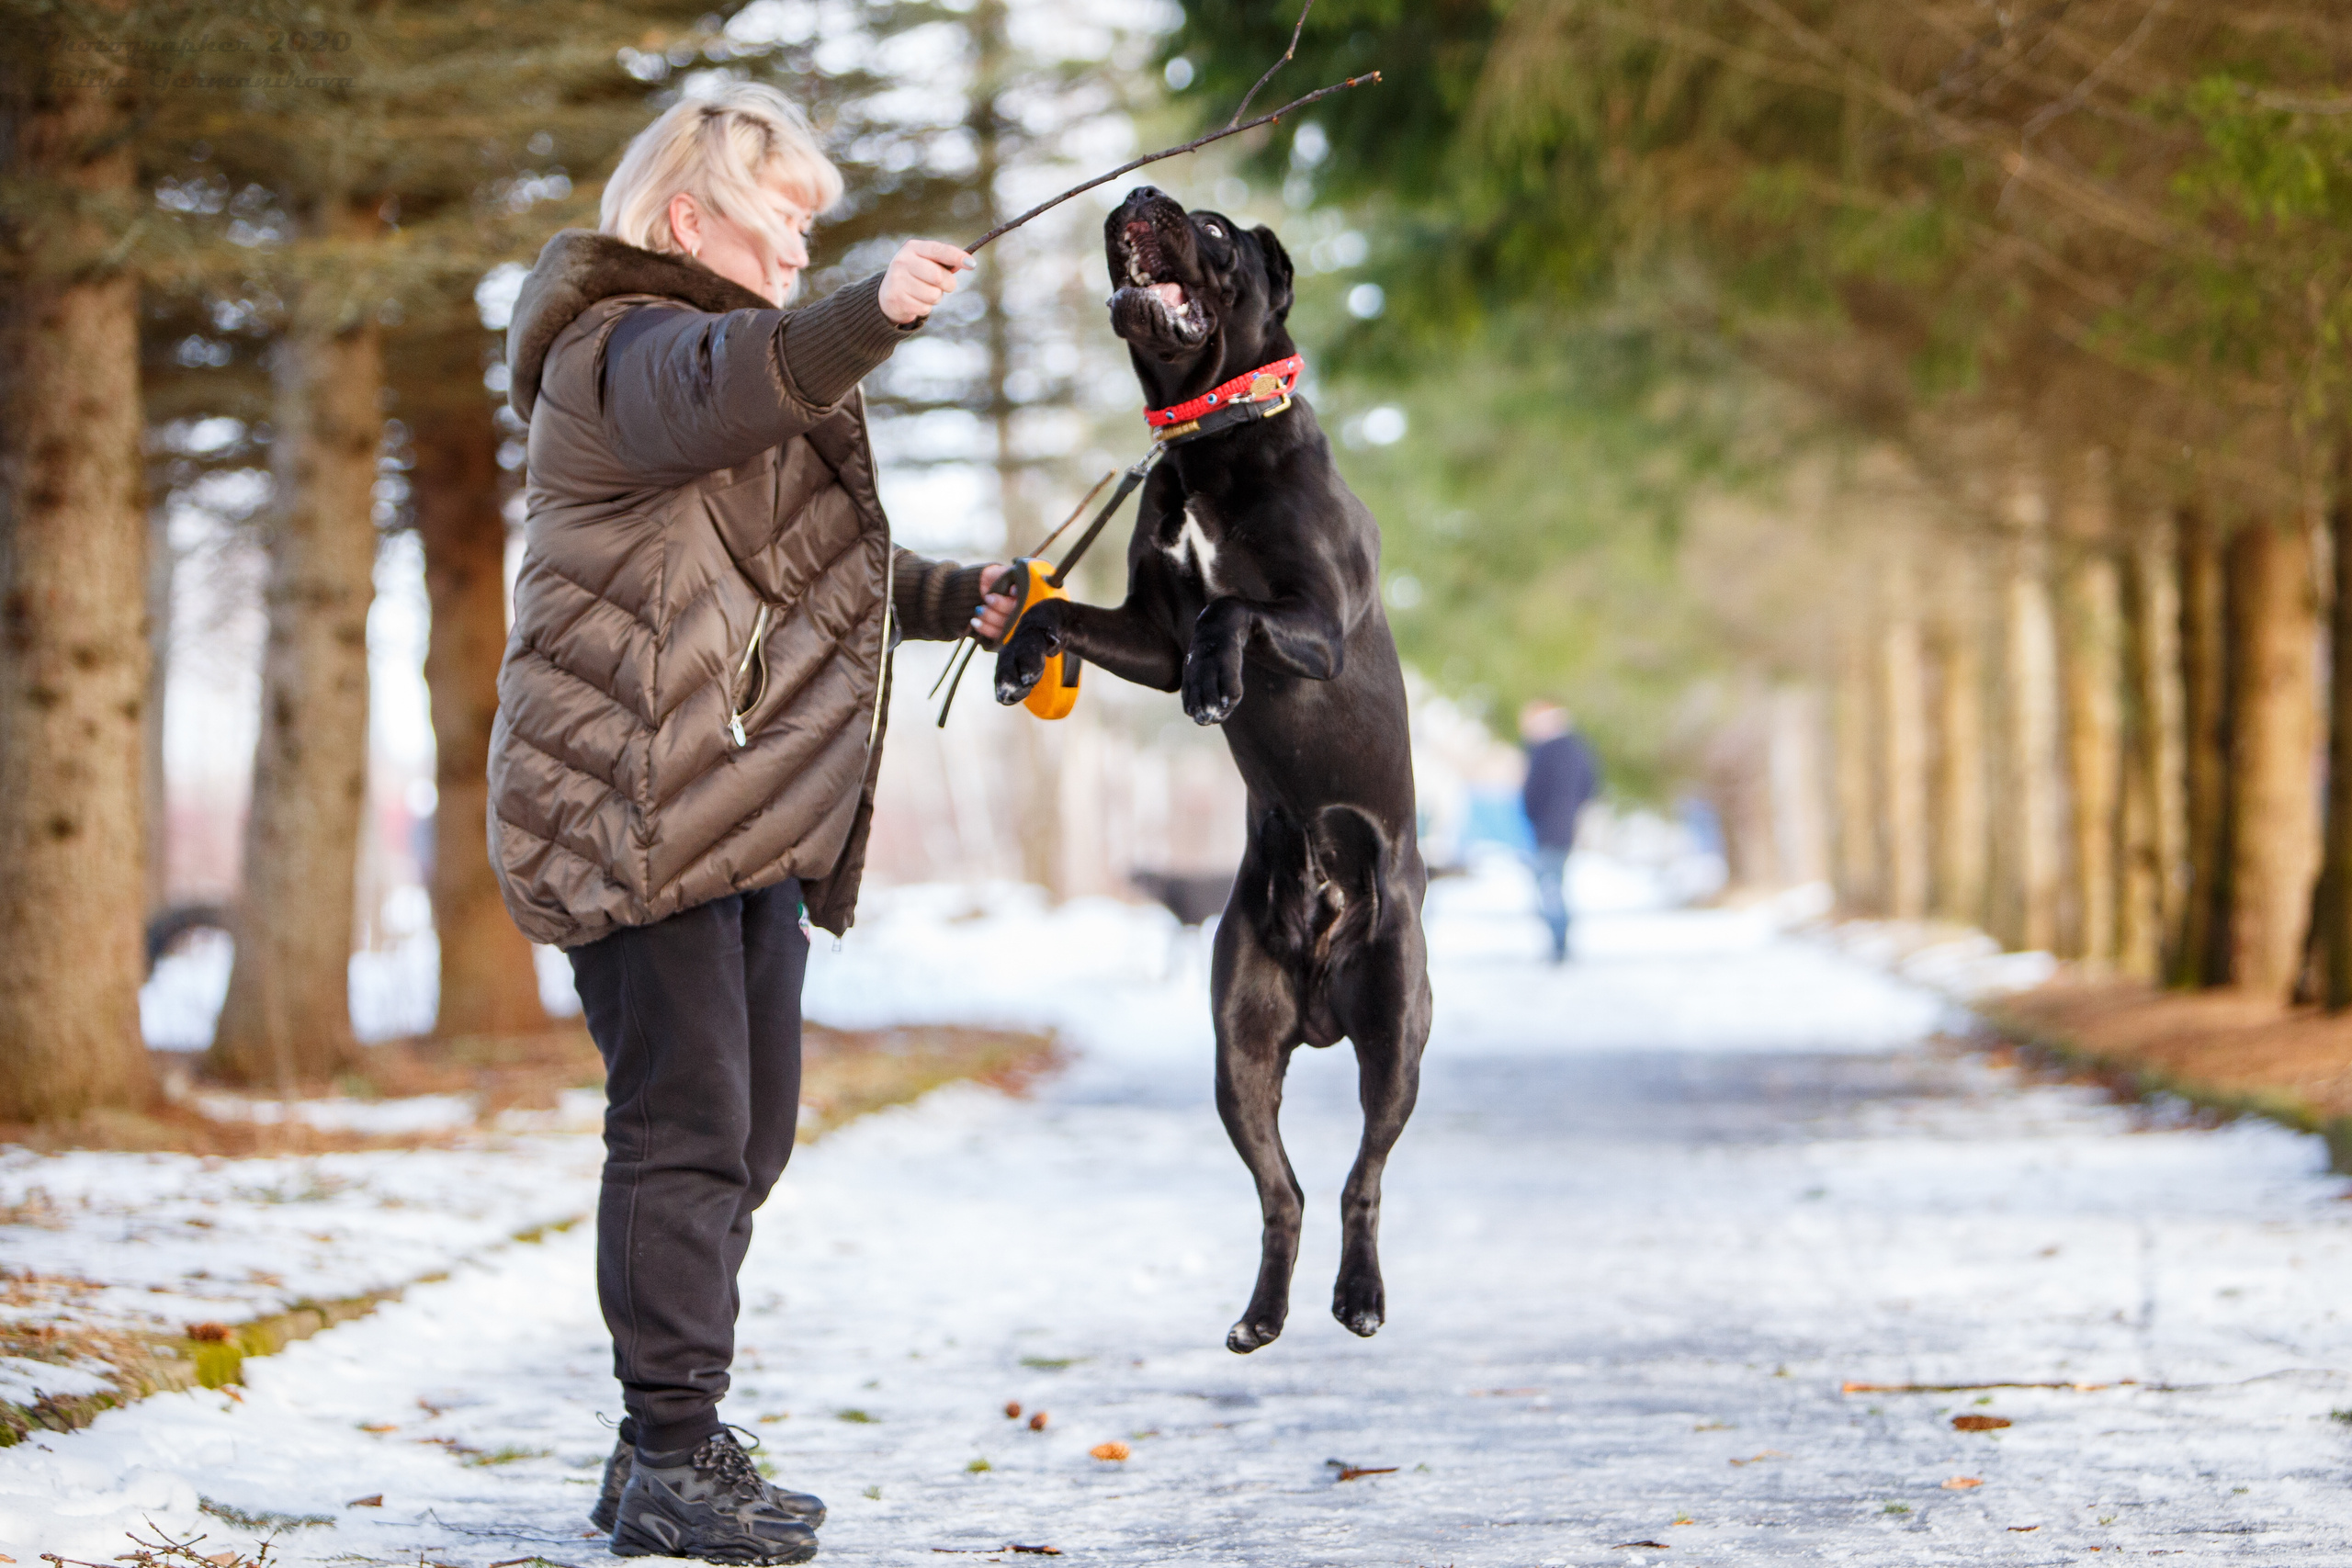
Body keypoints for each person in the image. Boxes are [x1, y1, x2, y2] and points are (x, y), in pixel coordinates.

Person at [486, 84, 1020, 1565]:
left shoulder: (727, 384)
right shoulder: (619, 356)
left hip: (732, 815)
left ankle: (648, 1437)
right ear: (684, 223)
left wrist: (950, 594)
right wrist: (869, 312)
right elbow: (740, 375)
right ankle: (671, 1448)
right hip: (627, 803)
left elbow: (802, 563)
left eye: (810, 225)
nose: (798, 246)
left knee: (751, 1126)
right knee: (687, 1124)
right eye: (778, 217)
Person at [1519, 699, 1602, 964]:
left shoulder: (1548, 752)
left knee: (1550, 887)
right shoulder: (1578, 749)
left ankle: (1559, 943)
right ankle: (1559, 941)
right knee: (1553, 884)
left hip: (1549, 829)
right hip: (1563, 827)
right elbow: (1590, 787)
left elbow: (1534, 793)